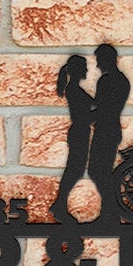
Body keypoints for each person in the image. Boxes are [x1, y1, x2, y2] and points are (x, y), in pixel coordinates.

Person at [88, 43, 132, 220]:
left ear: (109, 60)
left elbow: (105, 108)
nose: (98, 65)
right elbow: (100, 105)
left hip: (107, 130)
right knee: (100, 171)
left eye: (99, 60)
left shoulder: (110, 81)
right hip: (107, 129)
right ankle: (110, 212)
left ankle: (110, 213)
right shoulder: (116, 80)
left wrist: (84, 116)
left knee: (99, 171)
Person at [52, 53, 95, 220]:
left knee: (75, 170)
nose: (86, 70)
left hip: (82, 131)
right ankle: (59, 204)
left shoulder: (77, 90)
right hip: (79, 131)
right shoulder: (74, 91)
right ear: (78, 70)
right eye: (84, 67)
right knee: (74, 170)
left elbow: (96, 104)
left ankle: (59, 204)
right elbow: (86, 116)